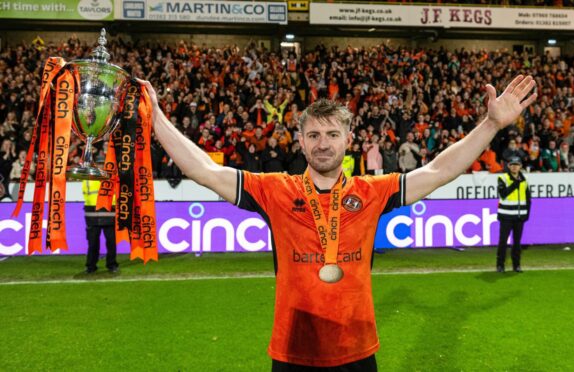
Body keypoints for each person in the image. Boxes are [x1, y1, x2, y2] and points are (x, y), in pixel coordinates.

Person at [140, 74, 537, 370]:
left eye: (332, 134)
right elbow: (206, 170)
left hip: (357, 351)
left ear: (348, 139)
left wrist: (491, 124)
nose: (323, 143)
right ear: (300, 142)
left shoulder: (371, 192)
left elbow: (437, 171)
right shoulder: (276, 189)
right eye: (313, 135)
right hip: (293, 350)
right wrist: (155, 116)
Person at [496, 156, 531, 273]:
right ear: (508, 166)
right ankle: (500, 265)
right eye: (512, 164)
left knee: (517, 243)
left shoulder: (524, 180)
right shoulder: (503, 178)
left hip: (519, 217)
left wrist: (527, 214)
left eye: (517, 164)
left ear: (520, 166)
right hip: (506, 216)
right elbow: (503, 194)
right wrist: (515, 184)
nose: (515, 167)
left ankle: (517, 265)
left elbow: (528, 199)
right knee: (503, 242)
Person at [82, 179, 118, 274]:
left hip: (107, 213)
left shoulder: (111, 177)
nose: (100, 166)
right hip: (94, 215)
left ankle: (111, 264)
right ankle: (91, 266)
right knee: (93, 243)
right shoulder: (88, 178)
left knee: (111, 242)